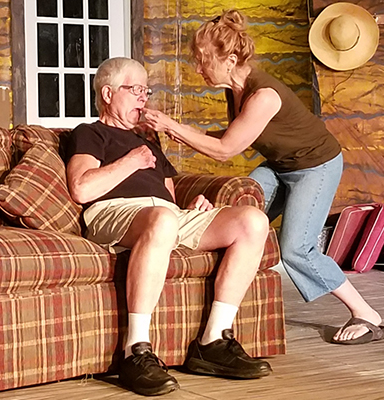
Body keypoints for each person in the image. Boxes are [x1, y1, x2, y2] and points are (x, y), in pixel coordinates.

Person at [143, 9, 384, 346]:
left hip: (315, 166)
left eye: (203, 60)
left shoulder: (263, 95)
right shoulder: (235, 91)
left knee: (296, 249)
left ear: (229, 60)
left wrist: (172, 127)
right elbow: (234, 134)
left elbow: (227, 149)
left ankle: (366, 315)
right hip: (280, 164)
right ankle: (222, 314)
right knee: (230, 215)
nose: (198, 69)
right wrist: (178, 132)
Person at [65, 57, 272, 397]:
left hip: (162, 216)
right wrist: (132, 160)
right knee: (161, 220)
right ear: (107, 93)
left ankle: (213, 342)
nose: (143, 98)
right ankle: (135, 351)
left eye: (146, 91)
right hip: (112, 213)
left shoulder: (150, 139)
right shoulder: (90, 133)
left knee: (252, 221)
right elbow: (82, 189)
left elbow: (168, 201)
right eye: (135, 90)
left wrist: (190, 210)